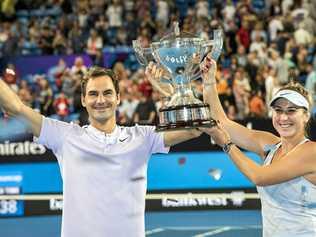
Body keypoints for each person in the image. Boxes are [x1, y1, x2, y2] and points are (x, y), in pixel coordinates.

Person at [0, 65, 201, 237]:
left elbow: (194, 129)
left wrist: (169, 91)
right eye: (93, 94)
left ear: (118, 98)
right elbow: (15, 107)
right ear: (83, 100)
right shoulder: (64, 136)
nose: (100, 100)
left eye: (107, 93)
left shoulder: (143, 136)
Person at [200, 55, 316, 237]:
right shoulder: (269, 145)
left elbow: (258, 176)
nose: (283, 117)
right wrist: (209, 84)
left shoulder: (311, 151)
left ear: (306, 116)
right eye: (278, 111)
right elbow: (222, 122)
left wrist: (227, 145)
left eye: (291, 111)